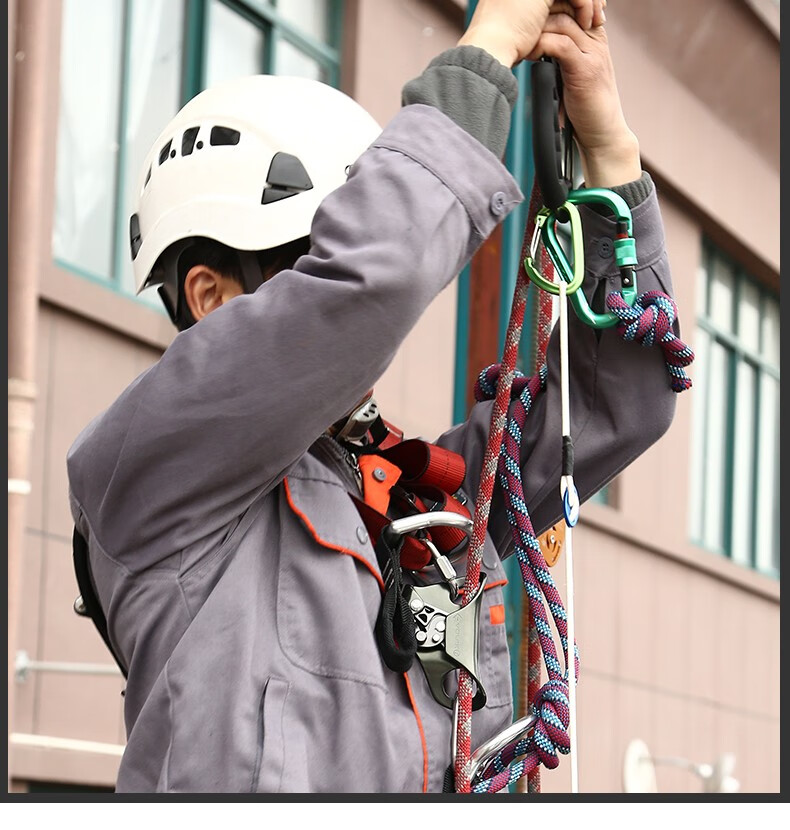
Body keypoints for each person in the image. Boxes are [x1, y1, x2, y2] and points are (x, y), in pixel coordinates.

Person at [67, 0, 678, 793]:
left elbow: (621, 401)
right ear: (211, 296)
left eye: (340, 248)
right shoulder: (148, 464)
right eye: (314, 259)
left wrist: (609, 151)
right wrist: (488, 46)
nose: (345, 281)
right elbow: (372, 282)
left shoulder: (417, 496)